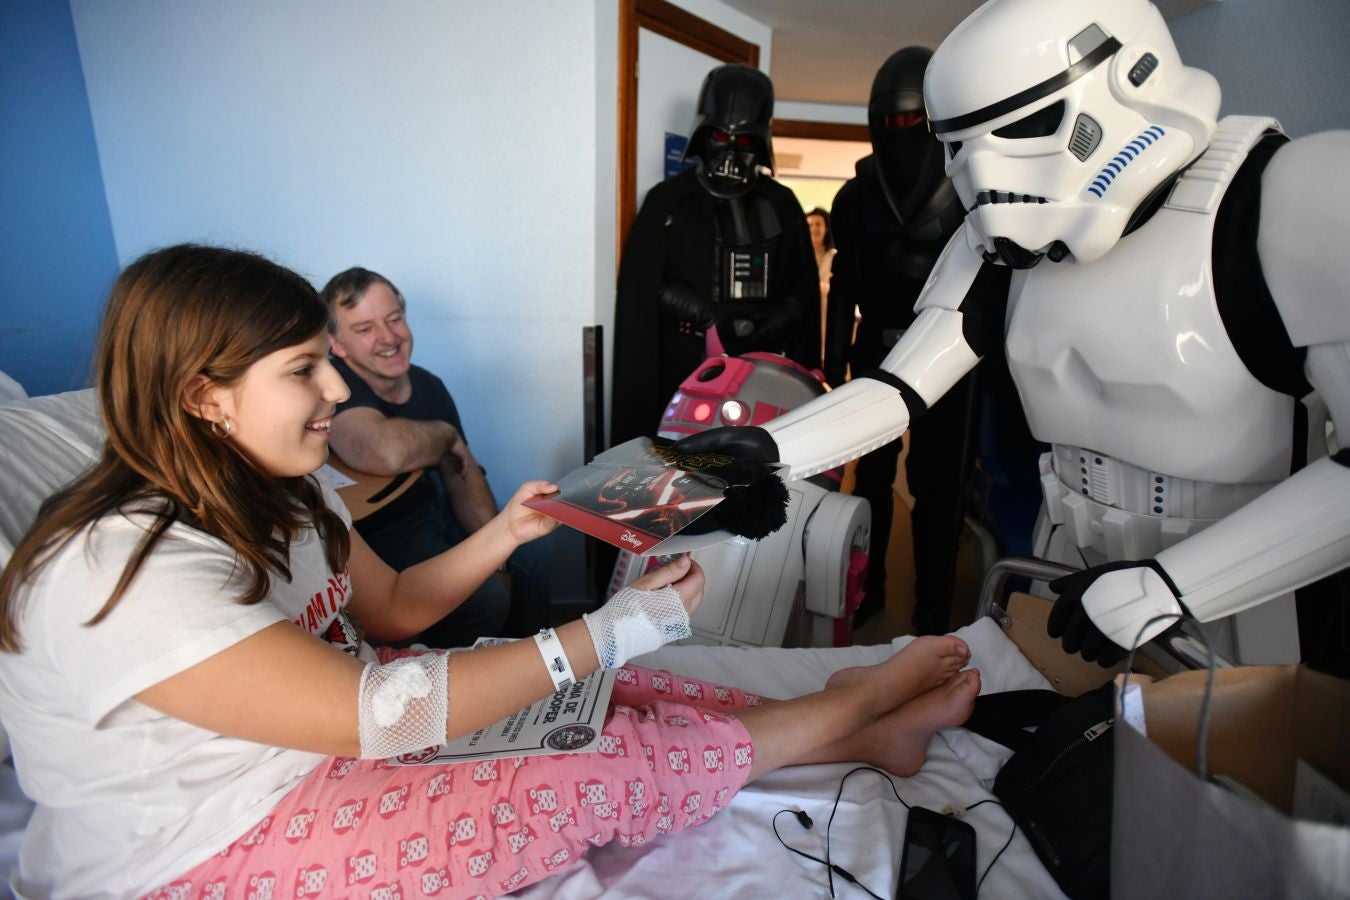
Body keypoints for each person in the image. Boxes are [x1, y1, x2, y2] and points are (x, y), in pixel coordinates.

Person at [0, 243, 982, 898]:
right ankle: (853, 719)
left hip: (327, 748)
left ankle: (853, 728)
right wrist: (597, 631)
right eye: (305, 369)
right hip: (197, 853)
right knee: (582, 763)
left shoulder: (285, 492)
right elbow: (376, 713)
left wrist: (509, 534)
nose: (337, 387)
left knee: (613, 692)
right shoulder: (115, 577)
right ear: (202, 398)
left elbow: (391, 605)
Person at [677, 0, 1350, 671]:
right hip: (1057, 559)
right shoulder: (994, 244)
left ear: (1129, 79)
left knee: (1226, 768)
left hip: (1241, 588)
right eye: (961, 146)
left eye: (1024, 126)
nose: (985, 173)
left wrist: (1169, 587)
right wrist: (767, 450)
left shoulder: (1290, 196)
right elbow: (898, 389)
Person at [823, 47, 976, 635]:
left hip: (950, 353)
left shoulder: (967, 188)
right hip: (876, 353)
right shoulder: (855, 197)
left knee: (940, 492)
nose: (899, 131)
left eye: (911, 120)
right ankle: (871, 588)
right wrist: (833, 360)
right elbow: (842, 285)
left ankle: (933, 610)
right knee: (874, 483)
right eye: (888, 121)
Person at [323, 266, 545, 645]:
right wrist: (443, 435)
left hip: (429, 512)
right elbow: (379, 450)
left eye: (394, 319)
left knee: (525, 574)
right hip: (374, 535)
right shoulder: (334, 384)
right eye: (364, 329)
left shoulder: (429, 385)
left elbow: (464, 477)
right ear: (337, 345)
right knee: (484, 602)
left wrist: (500, 553)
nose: (388, 338)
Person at [611, 64, 822, 447]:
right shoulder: (668, 201)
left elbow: (805, 288)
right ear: (704, 134)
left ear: (759, 143)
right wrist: (706, 314)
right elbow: (641, 289)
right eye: (721, 136)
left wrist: (775, 329)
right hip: (684, 367)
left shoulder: (782, 203)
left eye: (742, 142)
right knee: (682, 467)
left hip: (763, 367)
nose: (728, 149)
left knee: (754, 467)